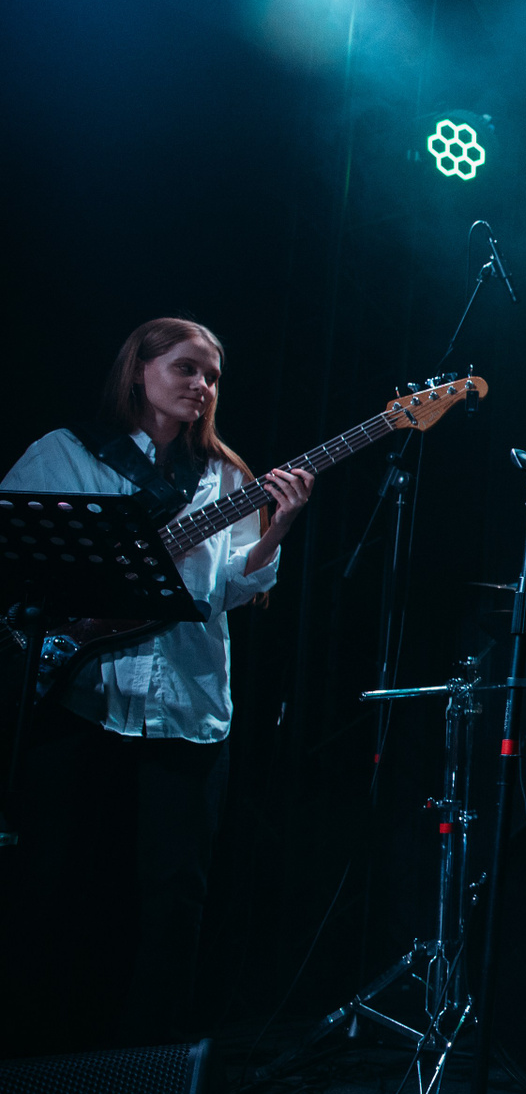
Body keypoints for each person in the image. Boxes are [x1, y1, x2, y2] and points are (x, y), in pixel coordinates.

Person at [0, 318, 312, 1054]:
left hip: (185, 706)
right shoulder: (67, 455)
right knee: (61, 879)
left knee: (174, 897)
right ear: (138, 370)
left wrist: (277, 527)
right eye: (186, 368)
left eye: (212, 377)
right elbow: (16, 544)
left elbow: (232, 588)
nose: (202, 386)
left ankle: (151, 1069)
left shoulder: (227, 478)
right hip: (82, 699)